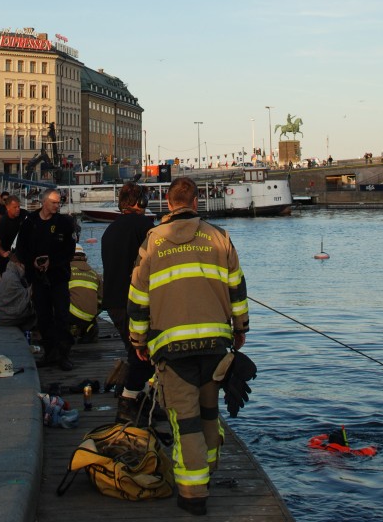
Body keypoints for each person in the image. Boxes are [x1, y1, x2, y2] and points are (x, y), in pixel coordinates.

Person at [128, 176, 249, 517]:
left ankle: (193, 496)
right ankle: (207, 473)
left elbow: (138, 297)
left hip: (172, 348)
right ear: (196, 203)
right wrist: (241, 330)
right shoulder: (219, 237)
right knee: (210, 415)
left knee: (186, 423)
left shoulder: (153, 241)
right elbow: (237, 290)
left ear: (168, 203)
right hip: (214, 346)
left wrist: (138, 340)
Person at [101, 181, 155, 421]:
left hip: (113, 302)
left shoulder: (109, 230)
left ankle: (142, 400)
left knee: (134, 351)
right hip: (135, 301)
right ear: (139, 202)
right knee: (144, 355)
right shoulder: (144, 226)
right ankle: (129, 402)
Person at [15, 187, 76, 371]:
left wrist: (53, 262)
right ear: (44, 202)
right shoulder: (30, 222)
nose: (57, 206)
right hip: (38, 278)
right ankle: (49, 352)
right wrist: (32, 262)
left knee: (62, 315)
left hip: (58, 276)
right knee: (43, 316)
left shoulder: (64, 223)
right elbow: (21, 249)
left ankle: (63, 353)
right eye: (54, 202)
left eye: (59, 202)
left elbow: (69, 251)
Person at [69, 244, 102, 343]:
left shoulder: (65, 271)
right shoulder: (94, 273)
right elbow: (102, 299)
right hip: (90, 316)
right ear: (84, 257)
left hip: (70, 315)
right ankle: (89, 329)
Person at [0, 253, 35, 330]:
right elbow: (22, 303)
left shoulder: (9, 274)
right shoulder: (11, 277)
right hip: (9, 317)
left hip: (4, 317)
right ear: (18, 263)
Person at [0, 195, 26, 280]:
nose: (18, 209)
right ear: (7, 207)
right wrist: (3, 253)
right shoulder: (3, 222)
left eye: (19, 206)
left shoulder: (25, 214)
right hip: (7, 258)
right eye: (15, 207)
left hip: (22, 255)